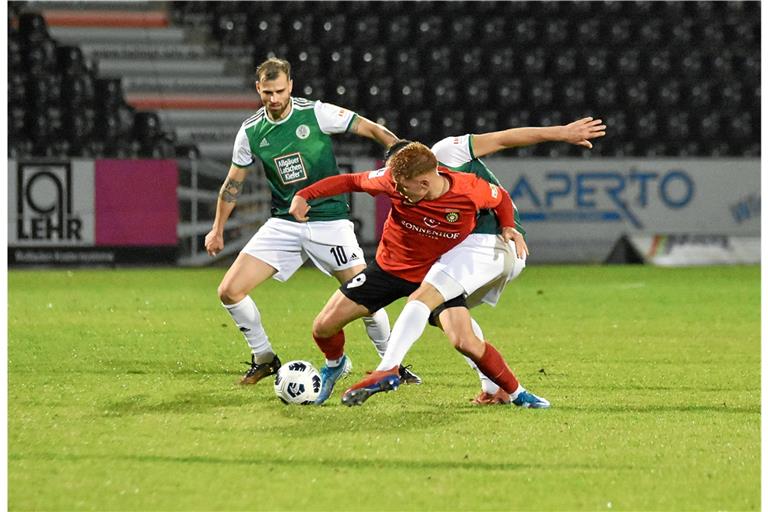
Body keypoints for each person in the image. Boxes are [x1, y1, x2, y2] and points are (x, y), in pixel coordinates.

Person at [340, 117, 607, 407]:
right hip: (480, 250)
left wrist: (562, 133)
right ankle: (500, 389)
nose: (394, 186)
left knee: (423, 298)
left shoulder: (447, 153)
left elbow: (504, 138)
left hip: (491, 241)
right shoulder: (422, 190)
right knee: (455, 324)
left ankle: (387, 368)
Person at [204, 57, 421, 386]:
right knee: (229, 291)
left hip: (330, 222)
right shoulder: (250, 131)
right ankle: (263, 357)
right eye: (266, 93)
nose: (273, 99)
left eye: (279, 91)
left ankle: (392, 365)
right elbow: (233, 182)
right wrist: (217, 228)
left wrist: (398, 149)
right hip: (283, 224)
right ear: (257, 89)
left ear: (290, 85)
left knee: (370, 300)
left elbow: (367, 126)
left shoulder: (315, 113)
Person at [289, 141, 526, 405]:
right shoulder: (393, 180)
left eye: (404, 185)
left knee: (465, 340)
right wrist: (304, 195)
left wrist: (507, 227)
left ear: (423, 183)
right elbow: (350, 181)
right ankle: (335, 365)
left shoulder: (468, 189)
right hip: (388, 270)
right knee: (323, 327)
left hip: (436, 275)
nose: (398, 190)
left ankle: (500, 389)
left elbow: (501, 197)